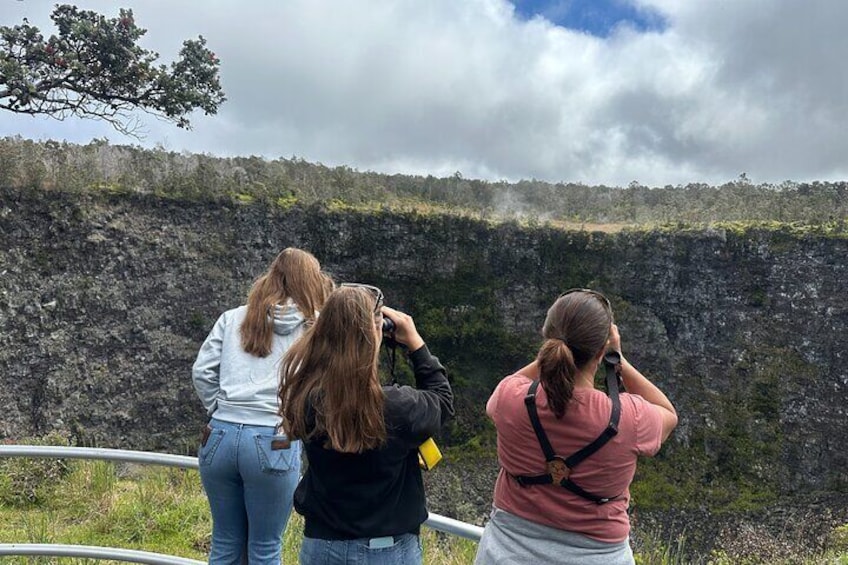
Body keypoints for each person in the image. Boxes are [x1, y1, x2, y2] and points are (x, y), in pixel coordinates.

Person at [474, 289, 678, 565]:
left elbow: (499, 395)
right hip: (598, 556)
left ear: (548, 339)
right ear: (601, 350)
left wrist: (552, 354)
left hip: (507, 552)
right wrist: (617, 359)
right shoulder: (629, 417)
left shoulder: (511, 399)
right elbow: (668, 414)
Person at [279, 283, 454, 564]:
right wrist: (416, 344)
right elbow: (443, 401)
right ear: (375, 332)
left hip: (321, 546)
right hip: (385, 550)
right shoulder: (398, 406)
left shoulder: (306, 397)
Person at [192, 247, 332, 565]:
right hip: (273, 437)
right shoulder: (316, 327)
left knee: (225, 542)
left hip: (219, 436)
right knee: (265, 548)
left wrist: (220, 408)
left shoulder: (232, 318)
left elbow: (201, 372)